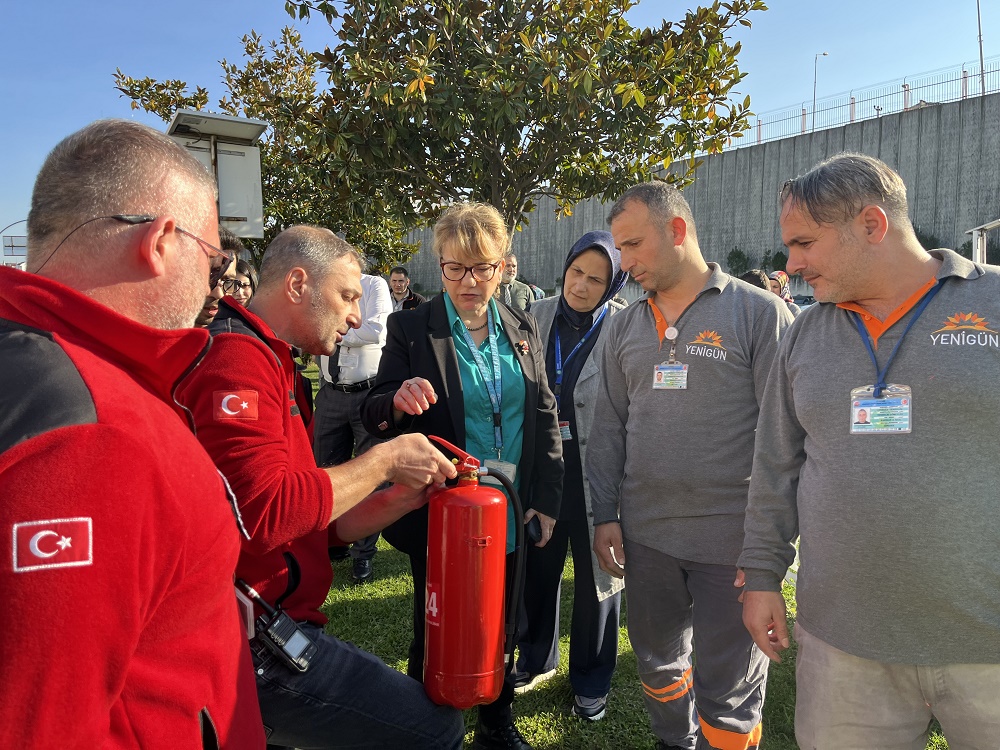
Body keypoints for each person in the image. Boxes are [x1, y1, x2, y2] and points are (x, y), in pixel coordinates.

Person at [0, 119, 264, 747]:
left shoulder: (39, 363)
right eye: (214, 259)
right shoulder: (91, 434)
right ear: (162, 241)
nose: (215, 285)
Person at [739, 152, 1000, 748]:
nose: (791, 265)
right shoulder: (804, 333)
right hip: (843, 646)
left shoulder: (994, 303)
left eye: (804, 243)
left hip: (988, 643)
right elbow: (775, 465)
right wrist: (761, 575)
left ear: (872, 225)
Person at [175, 225, 465, 750]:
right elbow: (267, 513)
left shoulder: (274, 359)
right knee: (435, 729)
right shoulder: (237, 358)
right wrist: (384, 459)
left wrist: (398, 498)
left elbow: (314, 522)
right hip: (251, 640)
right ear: (297, 284)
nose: (355, 316)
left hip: (276, 625)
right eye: (348, 296)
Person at [586, 181, 794, 750]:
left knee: (729, 686)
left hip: (731, 542)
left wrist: (767, 551)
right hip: (646, 537)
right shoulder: (622, 324)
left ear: (677, 230)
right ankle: (674, 741)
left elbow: (785, 439)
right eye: (619, 249)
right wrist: (605, 513)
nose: (624, 263)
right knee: (657, 664)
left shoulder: (759, 313)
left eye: (633, 245)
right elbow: (608, 426)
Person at [362, 202, 564, 750]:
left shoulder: (520, 324)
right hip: (444, 513)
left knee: (502, 620)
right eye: (455, 268)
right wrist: (398, 401)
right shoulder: (412, 328)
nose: (469, 282)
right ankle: (427, 728)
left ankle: (496, 724)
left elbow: (544, 411)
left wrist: (547, 498)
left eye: (482, 268)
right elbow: (373, 410)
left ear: (503, 266)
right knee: (437, 620)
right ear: (440, 265)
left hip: (511, 507)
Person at [515, 230, 629, 722]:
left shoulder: (626, 325)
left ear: (613, 286)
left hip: (599, 474)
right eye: (575, 272)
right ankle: (535, 656)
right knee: (538, 568)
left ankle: (591, 677)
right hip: (544, 470)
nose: (580, 286)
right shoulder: (532, 316)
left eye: (595, 280)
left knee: (598, 579)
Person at [314, 271, 393, 583]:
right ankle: (333, 542)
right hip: (331, 392)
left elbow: (376, 331)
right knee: (325, 472)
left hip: (367, 394)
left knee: (370, 475)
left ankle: (364, 554)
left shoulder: (373, 285)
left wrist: (332, 332)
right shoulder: (323, 283)